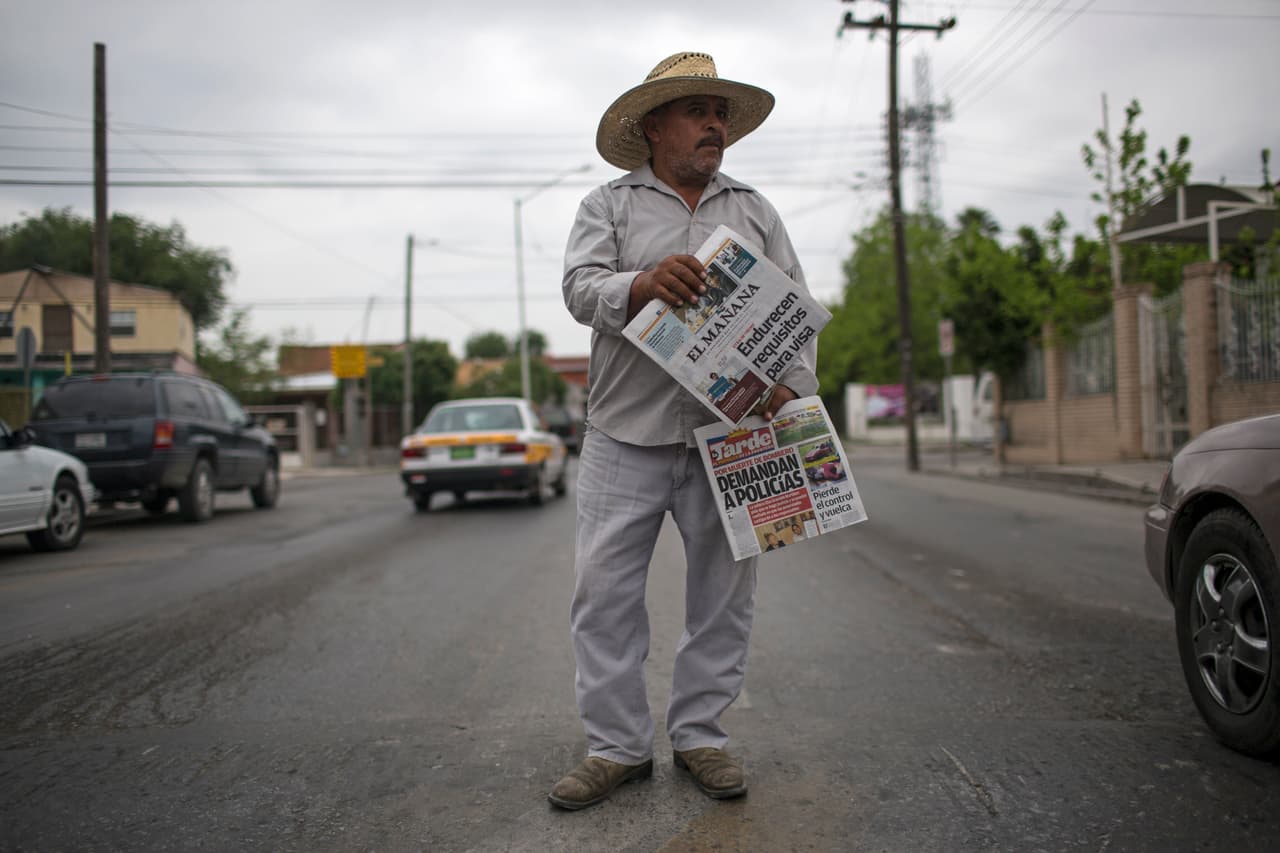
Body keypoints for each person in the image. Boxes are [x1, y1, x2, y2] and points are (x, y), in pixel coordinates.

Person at [552, 51, 819, 810]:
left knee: (725, 594)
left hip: (730, 435)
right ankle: (617, 747)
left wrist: (787, 387)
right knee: (602, 594)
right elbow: (577, 289)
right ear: (654, 126)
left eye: (721, 113)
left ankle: (701, 734)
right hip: (623, 433)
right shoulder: (608, 205)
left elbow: (795, 313)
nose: (714, 125)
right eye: (698, 110)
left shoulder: (756, 211)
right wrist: (637, 284)